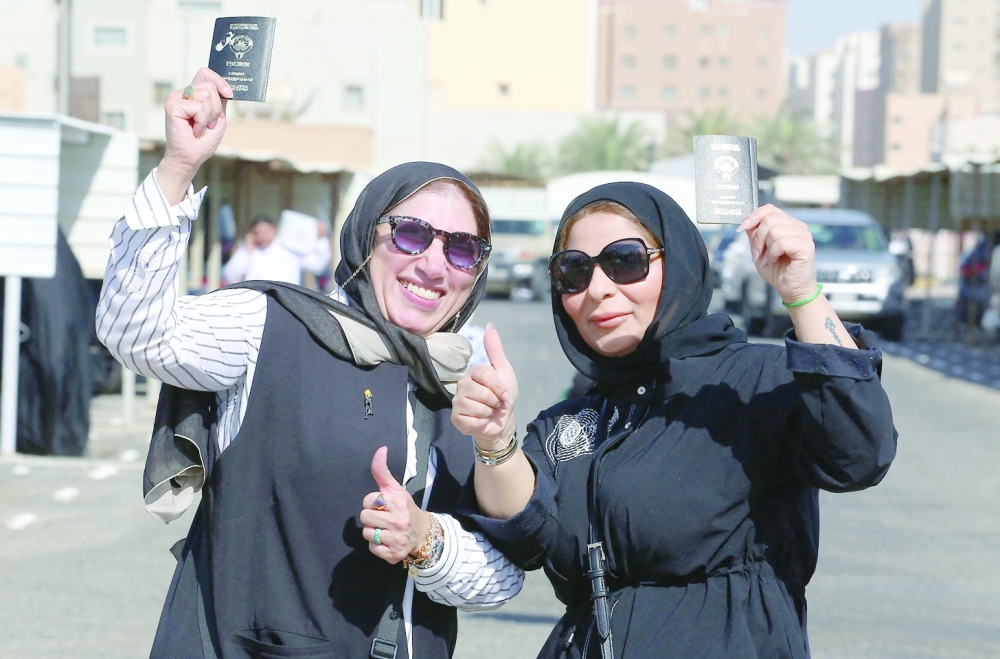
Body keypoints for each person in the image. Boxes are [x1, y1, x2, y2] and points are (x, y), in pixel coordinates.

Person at [96, 69, 522, 659]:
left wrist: (426, 540)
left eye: (460, 248)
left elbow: (505, 579)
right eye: (410, 234)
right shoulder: (272, 326)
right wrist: (178, 167)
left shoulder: (467, 388)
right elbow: (135, 333)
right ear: (365, 236)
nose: (432, 264)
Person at [451, 183, 897, 659]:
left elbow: (859, 454)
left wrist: (803, 295)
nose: (599, 290)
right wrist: (495, 437)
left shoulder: (754, 382)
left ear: (678, 264)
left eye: (625, 261)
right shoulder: (575, 419)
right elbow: (525, 534)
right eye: (574, 271)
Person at [221, 213, 331, 285]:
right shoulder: (249, 250)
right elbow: (229, 275)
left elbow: (318, 264)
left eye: (265, 231)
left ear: (274, 229)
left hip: (285, 302)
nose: (262, 235)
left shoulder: (288, 248)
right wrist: (247, 252)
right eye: (258, 232)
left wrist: (321, 238)